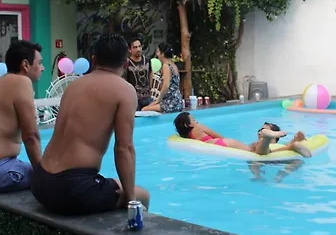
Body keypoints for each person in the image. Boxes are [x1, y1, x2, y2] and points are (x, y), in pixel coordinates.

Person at [31, 33, 150, 215]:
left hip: (41, 181)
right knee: (143, 196)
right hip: (73, 189)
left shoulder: (73, 87)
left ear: (93, 60)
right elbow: (124, 149)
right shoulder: (125, 91)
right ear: (126, 64)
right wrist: (131, 199)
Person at [0, 40, 44, 193]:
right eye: (39, 63)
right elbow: (30, 136)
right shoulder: (21, 82)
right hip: (3, 169)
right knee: (58, 179)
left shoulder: (3, 82)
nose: (43, 68)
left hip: (6, 165)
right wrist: (43, 178)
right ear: (25, 65)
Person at [174, 113, 311, 157]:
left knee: (253, 147)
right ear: (187, 124)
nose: (196, 121)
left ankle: (291, 143)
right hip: (221, 143)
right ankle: (288, 143)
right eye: (193, 119)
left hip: (215, 146)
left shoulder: (189, 136)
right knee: (254, 151)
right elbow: (218, 136)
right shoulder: (198, 127)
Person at [142, 43, 183, 114]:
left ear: (162, 54)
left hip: (170, 103)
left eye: (158, 52)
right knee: (149, 106)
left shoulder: (166, 66)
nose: (156, 54)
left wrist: (158, 99)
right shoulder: (173, 65)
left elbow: (166, 85)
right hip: (177, 100)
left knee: (144, 110)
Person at [124, 37, 152, 111]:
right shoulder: (127, 63)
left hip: (148, 96)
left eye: (139, 46)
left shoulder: (147, 60)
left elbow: (150, 74)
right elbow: (124, 79)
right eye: (135, 47)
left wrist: (151, 88)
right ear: (130, 49)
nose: (138, 49)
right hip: (134, 98)